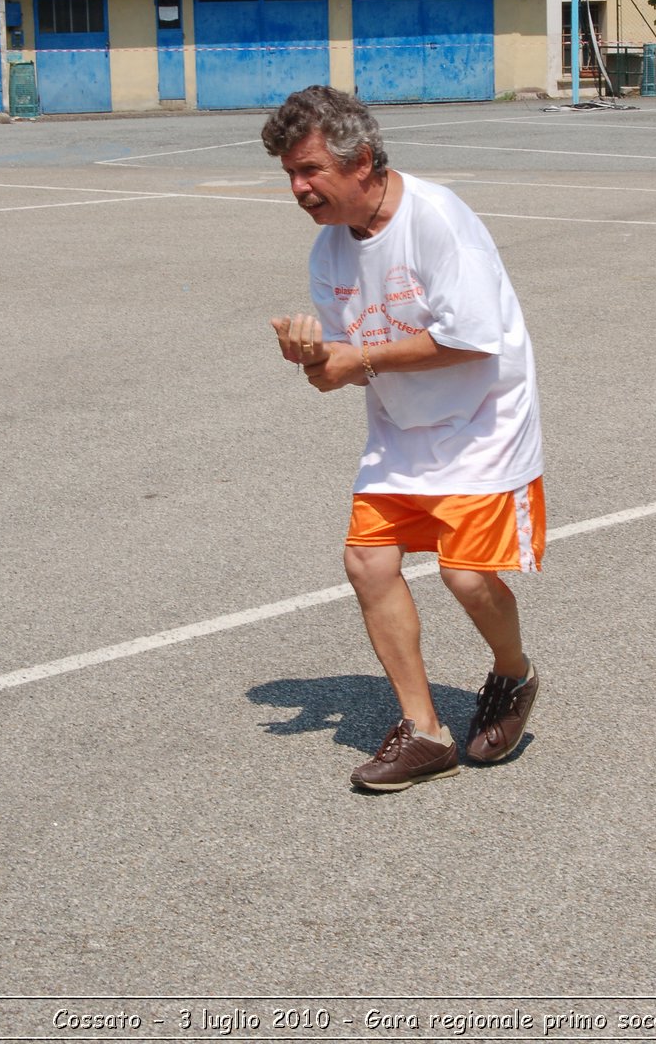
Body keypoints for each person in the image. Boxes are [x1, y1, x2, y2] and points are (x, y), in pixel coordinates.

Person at [262, 86, 545, 793]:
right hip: (401, 430)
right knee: (368, 565)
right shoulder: (329, 253)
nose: (298, 188)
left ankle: (514, 675)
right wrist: (314, 360)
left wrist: (361, 359)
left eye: (310, 171)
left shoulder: (435, 218)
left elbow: (471, 337)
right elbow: (343, 374)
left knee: (466, 575)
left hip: (483, 420)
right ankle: (424, 732)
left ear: (361, 163)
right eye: (290, 174)